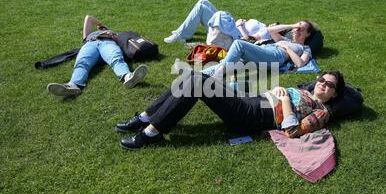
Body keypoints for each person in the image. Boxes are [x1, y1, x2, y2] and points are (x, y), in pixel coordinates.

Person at [115, 70, 345, 149]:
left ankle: (151, 133)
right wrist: (279, 90)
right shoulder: (306, 90)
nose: (323, 84)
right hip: (253, 101)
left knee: (197, 83)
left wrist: (284, 101)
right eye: (321, 79)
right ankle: (146, 117)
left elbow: (293, 132)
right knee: (192, 76)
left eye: (329, 85)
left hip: (254, 116)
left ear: (334, 94)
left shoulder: (322, 111)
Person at [47, 15, 148, 97]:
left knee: (116, 58)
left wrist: (109, 32)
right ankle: (73, 85)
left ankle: (128, 77)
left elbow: (125, 42)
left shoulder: (113, 34)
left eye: (103, 28)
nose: (100, 28)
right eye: (100, 28)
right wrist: (101, 24)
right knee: (82, 63)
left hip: (108, 43)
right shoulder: (88, 35)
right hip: (90, 44)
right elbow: (88, 18)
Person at [202, 19, 315, 77]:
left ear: (308, 34)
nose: (297, 30)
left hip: (274, 57)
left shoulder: (305, 48)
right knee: (225, 65)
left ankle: (218, 76)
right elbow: (270, 30)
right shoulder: (286, 39)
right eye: (297, 28)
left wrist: (287, 48)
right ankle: (193, 76)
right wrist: (292, 25)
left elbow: (300, 64)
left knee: (238, 44)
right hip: (263, 53)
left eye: (301, 29)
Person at [163, 0, 271, 44]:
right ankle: (185, 29)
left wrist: (240, 26)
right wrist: (242, 22)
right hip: (232, 26)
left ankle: (180, 35)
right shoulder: (263, 26)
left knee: (201, 7)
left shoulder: (266, 33)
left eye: (276, 26)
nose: (274, 24)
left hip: (230, 34)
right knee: (203, 1)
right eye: (275, 23)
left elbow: (248, 40)